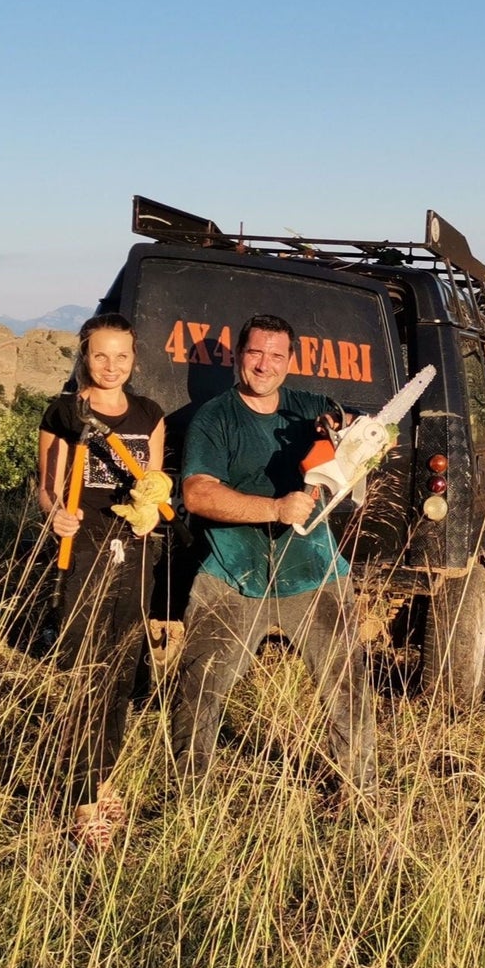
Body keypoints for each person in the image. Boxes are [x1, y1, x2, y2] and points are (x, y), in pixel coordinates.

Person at [169, 314, 376, 795]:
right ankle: (190, 796)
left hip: (314, 570)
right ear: (239, 356)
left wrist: (344, 428)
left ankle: (358, 790)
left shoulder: (309, 406)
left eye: (276, 355)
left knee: (347, 687)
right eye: (255, 353)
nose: (265, 365)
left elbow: (354, 428)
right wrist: (275, 508)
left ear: (289, 361)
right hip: (232, 572)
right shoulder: (215, 417)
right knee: (200, 689)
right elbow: (198, 495)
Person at [38, 312, 167, 848]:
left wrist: (152, 509)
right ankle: (84, 796)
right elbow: (46, 484)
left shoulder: (149, 413)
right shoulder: (65, 412)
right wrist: (53, 514)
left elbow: (155, 484)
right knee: (90, 668)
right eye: (100, 355)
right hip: (86, 544)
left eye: (122, 356)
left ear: (134, 360)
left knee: (122, 669)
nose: (111, 366)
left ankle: (103, 773)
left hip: (136, 549)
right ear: (84, 358)